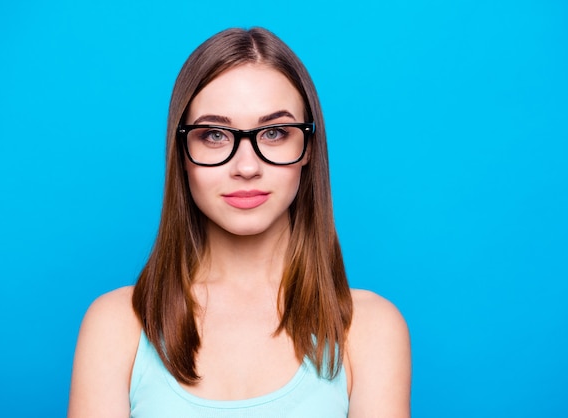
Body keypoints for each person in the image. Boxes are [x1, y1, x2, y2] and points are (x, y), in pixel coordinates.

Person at [68, 26, 411, 417]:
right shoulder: (116, 326)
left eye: (275, 133)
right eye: (214, 135)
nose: (246, 166)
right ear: (181, 151)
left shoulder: (370, 329)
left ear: (308, 149)